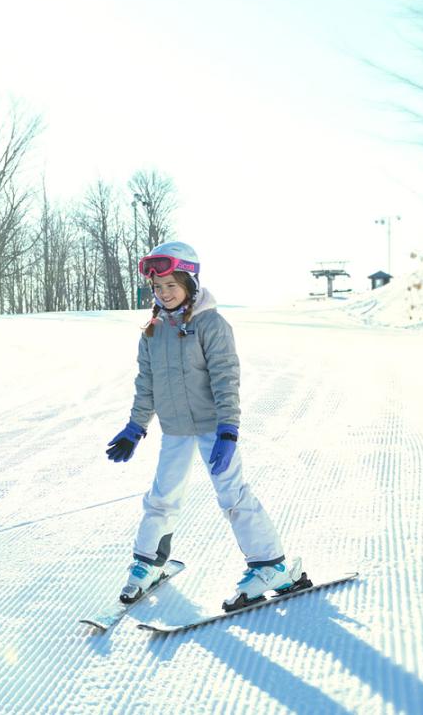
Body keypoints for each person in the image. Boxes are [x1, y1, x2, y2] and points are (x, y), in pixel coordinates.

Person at [105, 241, 306, 611]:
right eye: (158, 287)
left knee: (232, 495)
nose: (164, 294)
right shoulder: (152, 330)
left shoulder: (211, 324)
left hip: (214, 428)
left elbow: (226, 378)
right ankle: (149, 562)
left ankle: (272, 566)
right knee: (161, 496)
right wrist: (135, 428)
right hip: (176, 430)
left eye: (172, 286)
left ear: (190, 284)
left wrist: (228, 430)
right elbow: (145, 384)